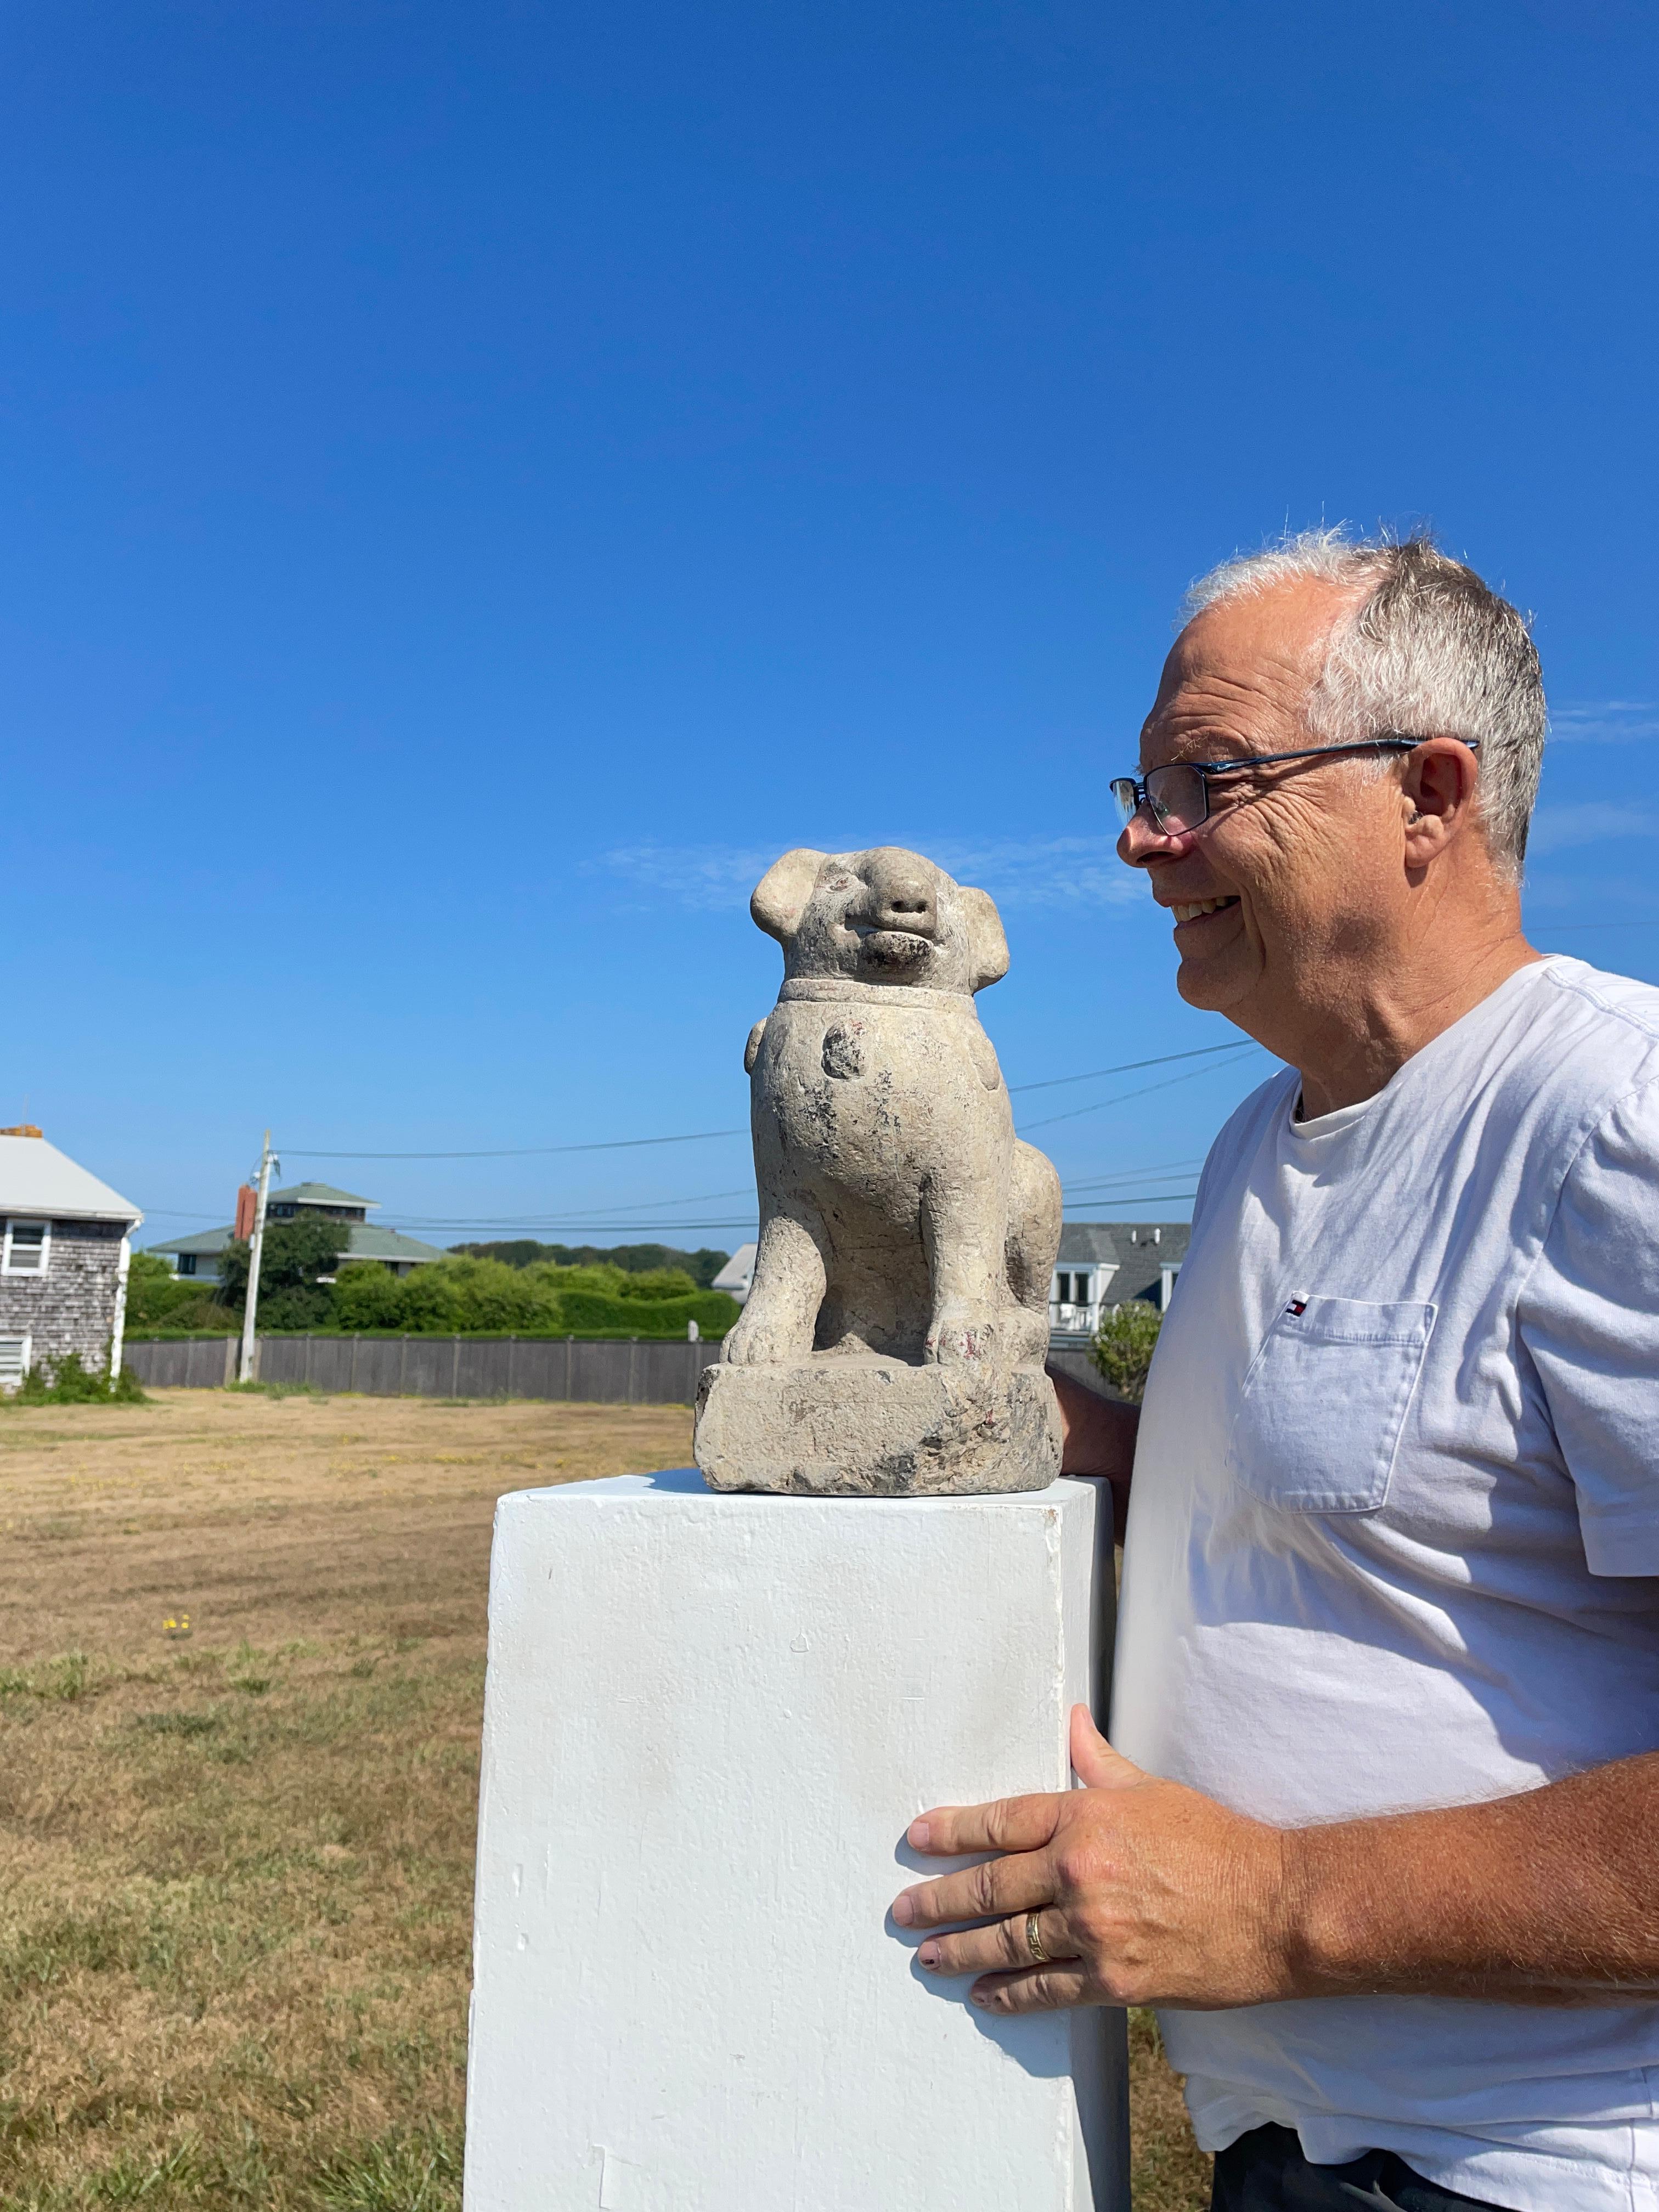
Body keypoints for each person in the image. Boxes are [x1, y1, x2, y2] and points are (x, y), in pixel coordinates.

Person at [888, 532, 1659, 2212]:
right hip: (1296, 2147)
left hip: (1538, 2175)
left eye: (1208, 777)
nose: (1140, 838)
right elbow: (1395, 1492)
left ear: (1429, 796)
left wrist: (1279, 1904)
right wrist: (1094, 1440)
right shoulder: (1259, 1138)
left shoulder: (1617, 1122)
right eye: (1143, 780)